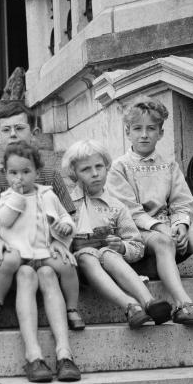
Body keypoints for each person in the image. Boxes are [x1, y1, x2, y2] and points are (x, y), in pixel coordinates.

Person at [106, 96, 193, 325]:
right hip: (137, 231)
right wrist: (163, 228)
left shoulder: (169, 166)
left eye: (151, 129)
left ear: (160, 133)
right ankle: (183, 304)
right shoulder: (119, 167)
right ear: (127, 132)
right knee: (164, 242)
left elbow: (182, 202)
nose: (144, 134)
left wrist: (180, 225)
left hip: (167, 227)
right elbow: (129, 211)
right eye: (138, 129)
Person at [0, 141, 81, 383]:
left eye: (26, 172)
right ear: (5, 174)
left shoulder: (48, 194)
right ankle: (33, 355)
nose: (20, 178)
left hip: (43, 253)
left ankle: (65, 352)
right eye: (13, 173)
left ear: (37, 172)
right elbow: (3, 221)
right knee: (25, 274)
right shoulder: (6, 196)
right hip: (20, 259)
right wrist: (17, 198)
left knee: (54, 272)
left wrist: (64, 230)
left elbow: (66, 217)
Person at [0, 101, 84, 330]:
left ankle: (72, 308)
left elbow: (68, 215)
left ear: (34, 134)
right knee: (12, 261)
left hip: (46, 246)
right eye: (6, 130)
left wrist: (60, 241)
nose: (13, 135)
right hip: (15, 248)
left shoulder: (50, 176)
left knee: (63, 264)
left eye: (19, 128)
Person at [62, 139, 172, 328]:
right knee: (87, 256)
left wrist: (121, 246)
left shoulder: (117, 206)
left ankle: (149, 302)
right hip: (76, 267)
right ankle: (130, 306)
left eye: (99, 166)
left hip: (109, 262)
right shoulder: (66, 203)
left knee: (109, 253)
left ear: (107, 167)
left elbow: (137, 245)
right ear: (74, 174)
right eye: (86, 169)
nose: (95, 173)